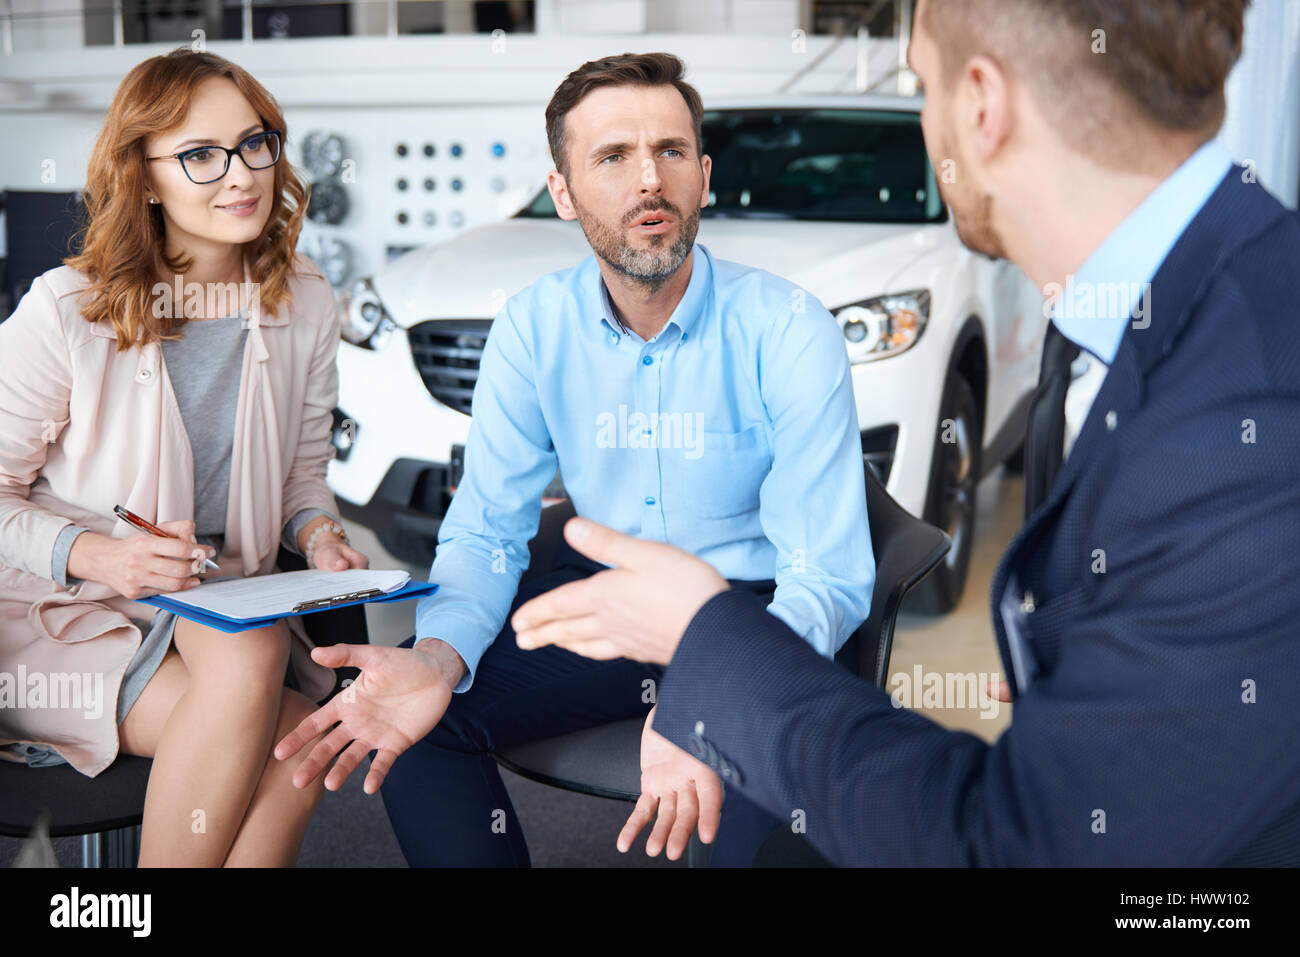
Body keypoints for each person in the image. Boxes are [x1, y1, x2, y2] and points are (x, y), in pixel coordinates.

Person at [505, 0, 1300, 866]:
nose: (926, 122)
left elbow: (1039, 844)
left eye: (923, 87)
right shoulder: (1140, 319)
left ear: (983, 106)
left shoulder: (1246, 402)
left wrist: (706, 643)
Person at [275, 52, 875, 866]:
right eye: (613, 157)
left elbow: (826, 575)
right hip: (613, 613)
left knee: (741, 821)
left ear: (702, 176)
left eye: (669, 152)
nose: (649, 181)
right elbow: (487, 529)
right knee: (416, 717)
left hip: (757, 619)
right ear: (562, 191)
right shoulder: (532, 328)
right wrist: (435, 655)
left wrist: (714, 700)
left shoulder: (791, 328)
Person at [0, 48, 369, 867]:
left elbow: (304, 475)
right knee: (279, 697)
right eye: (200, 155)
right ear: (146, 176)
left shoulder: (304, 299)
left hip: (215, 601)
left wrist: (318, 537)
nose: (240, 175)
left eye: (254, 143)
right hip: (70, 616)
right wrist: (101, 553)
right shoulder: (66, 311)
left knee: (288, 716)